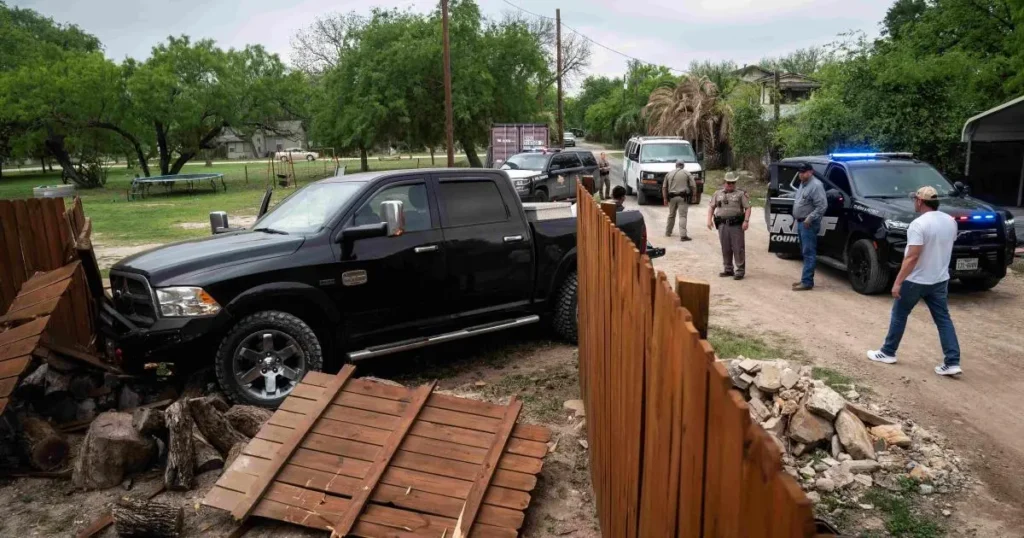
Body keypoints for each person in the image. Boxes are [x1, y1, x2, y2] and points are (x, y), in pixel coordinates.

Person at [867, 186, 962, 376]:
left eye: (915, 200)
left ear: (920, 201)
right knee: (943, 320)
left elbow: (912, 257)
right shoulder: (950, 222)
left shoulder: (918, 225)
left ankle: (888, 352)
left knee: (900, 314)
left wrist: (898, 282)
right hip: (939, 279)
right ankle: (952, 361)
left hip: (916, 279)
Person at [707, 172, 751, 280]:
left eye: (732, 183)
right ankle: (728, 269)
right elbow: (711, 207)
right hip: (722, 224)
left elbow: (748, 208)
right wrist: (709, 219)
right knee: (725, 247)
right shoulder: (717, 194)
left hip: (736, 225)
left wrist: (746, 221)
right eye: (728, 182)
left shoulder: (741, 194)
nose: (730, 185)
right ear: (724, 182)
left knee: (738, 247)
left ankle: (740, 270)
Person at [791, 163, 827, 291]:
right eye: (800, 172)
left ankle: (807, 282)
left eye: (804, 172)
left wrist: (809, 218)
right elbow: (801, 199)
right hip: (801, 222)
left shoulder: (816, 186)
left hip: (808, 224)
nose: (801, 174)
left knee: (809, 252)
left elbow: (822, 206)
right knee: (804, 251)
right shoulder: (802, 183)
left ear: (811, 172)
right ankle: (804, 279)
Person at [663, 160, 696, 241]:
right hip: (683, 197)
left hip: (672, 197)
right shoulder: (686, 173)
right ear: (683, 166)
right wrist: (694, 196)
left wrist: (665, 198)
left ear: (676, 165)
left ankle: (668, 232)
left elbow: (664, 187)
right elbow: (693, 185)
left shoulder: (669, 174)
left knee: (671, 215)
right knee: (682, 216)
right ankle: (683, 235)